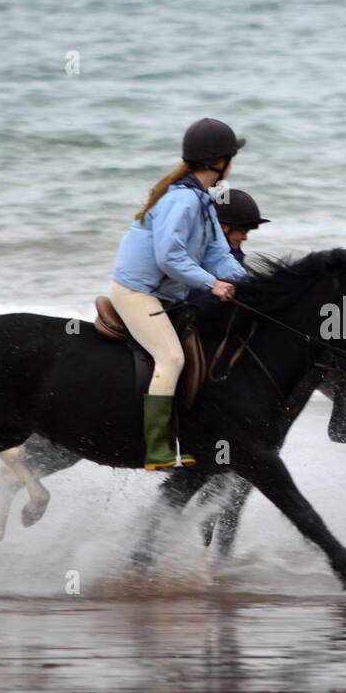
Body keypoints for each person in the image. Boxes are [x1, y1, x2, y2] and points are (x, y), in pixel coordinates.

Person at [110, 118, 248, 468]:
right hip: (136, 293)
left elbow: (218, 255)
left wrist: (253, 286)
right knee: (171, 358)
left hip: (168, 296)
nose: (233, 165)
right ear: (219, 162)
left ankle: (186, 435)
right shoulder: (183, 201)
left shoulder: (201, 201)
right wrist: (212, 284)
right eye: (232, 158)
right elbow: (169, 257)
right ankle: (155, 448)